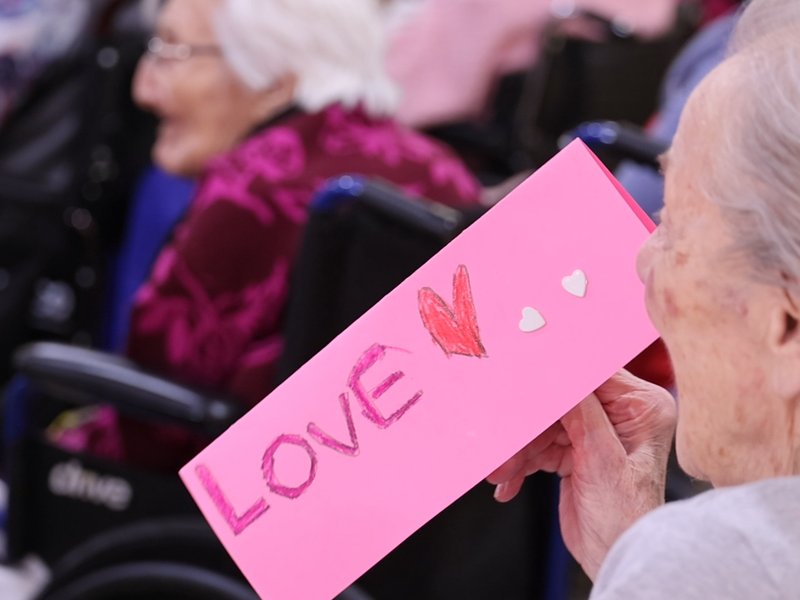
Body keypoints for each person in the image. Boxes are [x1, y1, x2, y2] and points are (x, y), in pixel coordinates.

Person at [488, 0, 800, 596]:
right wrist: (628, 552)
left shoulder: (710, 557)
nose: (643, 259)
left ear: (784, 323)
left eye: (678, 225)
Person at [125, 0, 480, 406]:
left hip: (252, 463)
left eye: (173, 50)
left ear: (274, 82)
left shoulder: (250, 191)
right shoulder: (443, 170)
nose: (143, 88)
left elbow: (149, 412)